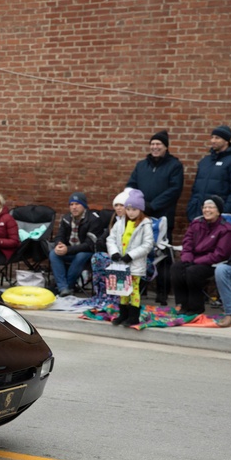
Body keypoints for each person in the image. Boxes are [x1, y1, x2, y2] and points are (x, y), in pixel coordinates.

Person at [170, 195, 231, 316]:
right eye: (205, 207)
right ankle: (182, 304)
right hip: (193, 259)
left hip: (213, 263)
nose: (207, 210)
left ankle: (196, 307)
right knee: (176, 268)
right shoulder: (196, 224)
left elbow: (221, 254)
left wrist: (197, 261)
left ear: (218, 211)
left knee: (192, 272)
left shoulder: (225, 229)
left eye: (211, 207)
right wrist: (187, 258)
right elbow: (187, 243)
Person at [105, 189, 154, 326]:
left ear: (140, 210)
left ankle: (134, 316)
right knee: (122, 289)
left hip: (135, 263)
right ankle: (123, 314)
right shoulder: (120, 223)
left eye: (134, 209)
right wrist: (114, 252)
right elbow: (111, 239)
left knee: (134, 290)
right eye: (128, 209)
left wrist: (131, 255)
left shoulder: (145, 224)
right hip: (121, 263)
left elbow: (148, 244)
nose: (130, 212)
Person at [185, 125, 231, 222]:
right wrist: (192, 207)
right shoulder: (205, 161)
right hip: (199, 214)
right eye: (212, 137)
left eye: (217, 138)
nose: (213, 141)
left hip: (219, 217)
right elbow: (196, 189)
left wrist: (225, 212)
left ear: (226, 141)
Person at [125, 130, 184, 234]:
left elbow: (174, 190)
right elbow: (132, 184)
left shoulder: (175, 166)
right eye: (152, 144)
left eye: (158, 144)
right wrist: (138, 204)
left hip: (163, 215)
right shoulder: (141, 165)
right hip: (141, 214)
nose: (155, 147)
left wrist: (153, 206)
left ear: (166, 147)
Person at [48, 191, 105, 296]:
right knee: (53, 254)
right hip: (69, 251)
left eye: (77, 204)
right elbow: (59, 235)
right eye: (71, 204)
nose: (74, 207)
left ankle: (68, 286)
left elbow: (89, 244)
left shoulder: (93, 220)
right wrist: (59, 244)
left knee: (80, 256)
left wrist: (67, 250)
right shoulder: (66, 218)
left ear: (84, 206)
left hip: (87, 252)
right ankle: (63, 288)